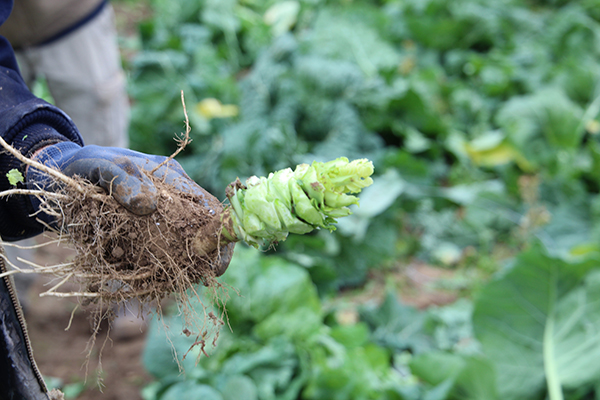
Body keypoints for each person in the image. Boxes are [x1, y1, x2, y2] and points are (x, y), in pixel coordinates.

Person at [0, 1, 233, 398]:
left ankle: (125, 292)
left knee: (113, 170)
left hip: (67, 15)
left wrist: (43, 156)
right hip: (14, 31)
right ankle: (16, 292)